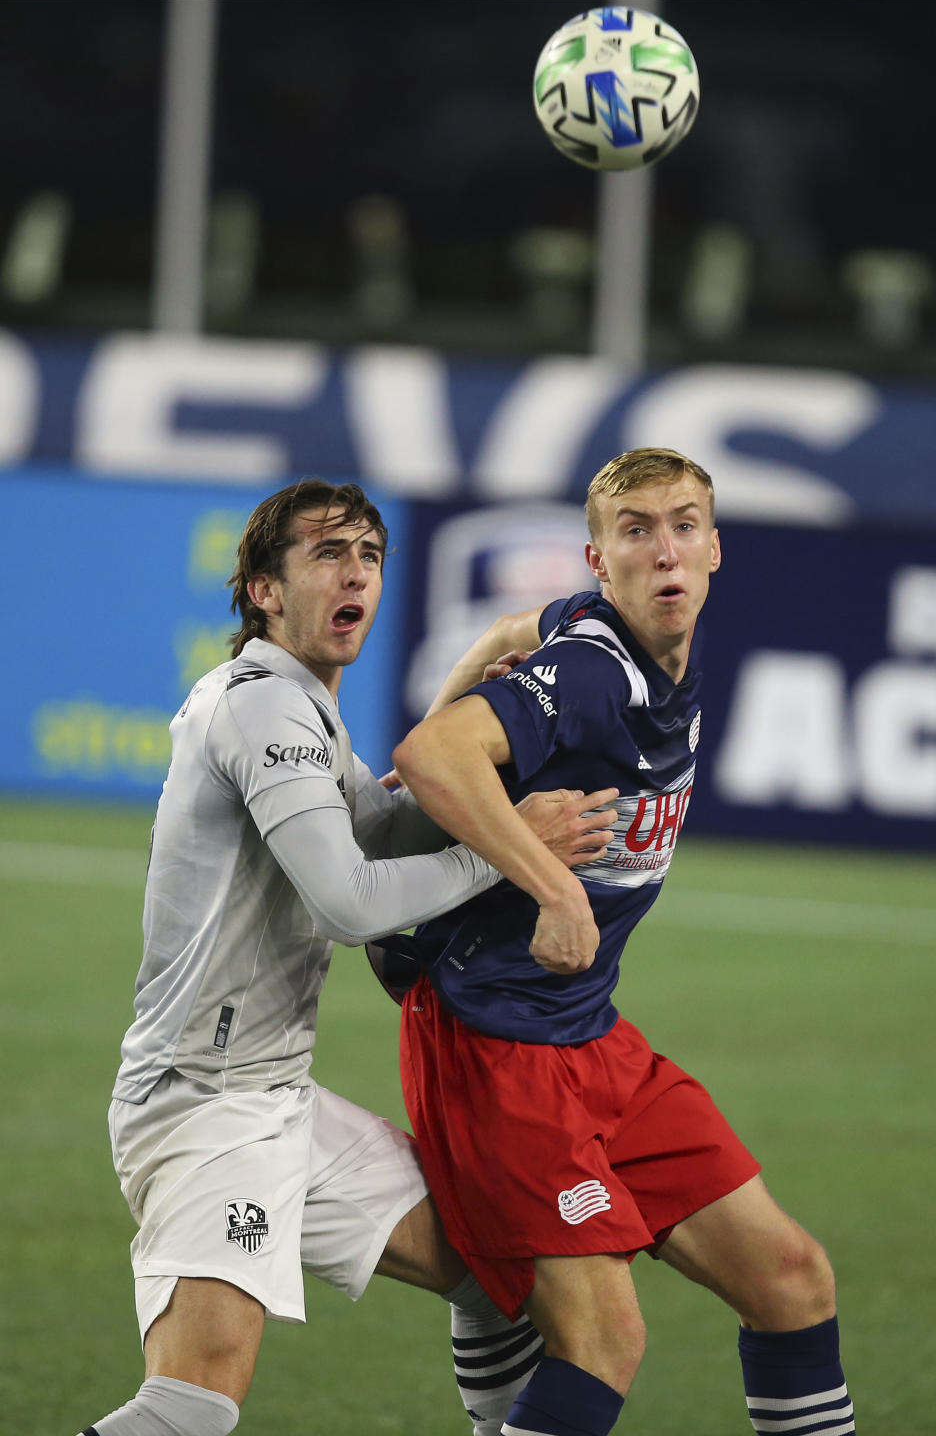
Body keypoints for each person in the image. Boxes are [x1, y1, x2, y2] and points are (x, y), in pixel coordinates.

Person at [77, 479, 619, 1436]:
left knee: (499, 1270)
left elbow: (387, 821)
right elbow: (350, 900)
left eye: (370, 554)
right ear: (263, 590)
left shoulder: (304, 708)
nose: (356, 571)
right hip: (207, 1107)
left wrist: (485, 669)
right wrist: (512, 852)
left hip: (278, 1097)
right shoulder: (260, 710)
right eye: (329, 553)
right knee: (193, 1406)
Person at [388, 448, 857, 1436]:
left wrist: (461, 690)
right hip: (497, 1042)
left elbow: (517, 627)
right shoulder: (595, 674)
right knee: (604, 1338)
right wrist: (552, 884)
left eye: (684, 524)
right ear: (600, 559)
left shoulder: (606, 635)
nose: (665, 550)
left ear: (716, 548)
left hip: (590, 1036)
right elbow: (432, 756)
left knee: (791, 1277)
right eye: (637, 531)